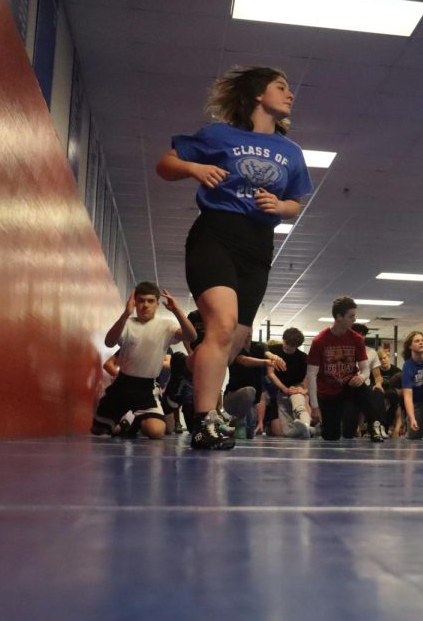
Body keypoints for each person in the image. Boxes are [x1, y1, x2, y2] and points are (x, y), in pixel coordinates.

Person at [156, 65, 313, 450]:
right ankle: (204, 420)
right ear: (259, 95)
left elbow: (295, 203)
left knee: (228, 347)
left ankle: (185, 378)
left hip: (258, 249)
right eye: (281, 87)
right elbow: (166, 165)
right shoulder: (218, 135)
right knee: (221, 326)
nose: (289, 94)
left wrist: (279, 206)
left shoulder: (290, 151)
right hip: (216, 235)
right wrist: (194, 167)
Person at [91, 282, 197, 440]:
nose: (145, 305)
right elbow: (109, 342)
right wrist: (126, 314)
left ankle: (132, 421)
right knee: (98, 431)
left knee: (157, 432)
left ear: (157, 303)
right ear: (135, 302)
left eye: (150, 301)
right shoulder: (127, 323)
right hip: (123, 384)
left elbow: (191, 336)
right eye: (141, 300)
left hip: (146, 388)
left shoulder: (166, 326)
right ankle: (125, 422)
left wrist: (177, 311)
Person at [306, 297, 384, 443]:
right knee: (331, 436)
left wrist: (361, 377)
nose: (354, 320)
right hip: (328, 392)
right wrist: (314, 406)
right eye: (351, 316)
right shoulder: (319, 341)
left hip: (349, 385)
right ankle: (321, 427)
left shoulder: (356, 339)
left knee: (364, 388)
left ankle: (375, 425)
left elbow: (365, 369)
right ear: (339, 317)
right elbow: (311, 375)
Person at [266, 327, 312, 439]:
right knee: (286, 433)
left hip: (295, 387)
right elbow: (270, 373)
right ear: (283, 339)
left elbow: (308, 378)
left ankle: (306, 425)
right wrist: (283, 388)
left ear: (296, 346)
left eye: (291, 346)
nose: (287, 346)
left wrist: (304, 391)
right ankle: (311, 430)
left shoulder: (303, 358)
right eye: (286, 343)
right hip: (280, 390)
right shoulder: (273, 351)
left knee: (300, 406)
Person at [377, 349, 403, 435]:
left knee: (393, 398)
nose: (383, 360)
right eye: (380, 359)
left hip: (393, 397)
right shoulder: (375, 371)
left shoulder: (397, 371)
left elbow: (402, 387)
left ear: (388, 357)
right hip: (381, 395)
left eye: (384, 358)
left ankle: (396, 428)